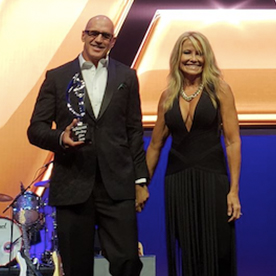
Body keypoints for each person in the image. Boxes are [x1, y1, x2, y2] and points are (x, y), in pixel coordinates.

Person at [27, 15, 149, 276]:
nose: (98, 39)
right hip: (73, 184)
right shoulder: (57, 77)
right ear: (83, 35)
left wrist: (140, 181)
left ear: (113, 41)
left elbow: (134, 132)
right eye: (93, 33)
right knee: (77, 267)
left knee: (128, 261)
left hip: (116, 186)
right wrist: (61, 138)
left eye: (105, 35)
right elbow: (35, 129)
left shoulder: (127, 76)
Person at [146, 31, 241, 276]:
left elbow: (232, 141)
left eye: (199, 53)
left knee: (218, 251)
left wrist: (233, 191)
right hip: (177, 181)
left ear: (207, 57)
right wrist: (142, 185)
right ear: (178, 57)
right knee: (189, 251)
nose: (193, 58)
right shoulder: (167, 97)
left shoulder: (220, 89)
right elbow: (155, 145)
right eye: (188, 52)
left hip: (213, 180)